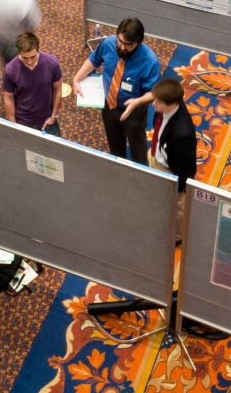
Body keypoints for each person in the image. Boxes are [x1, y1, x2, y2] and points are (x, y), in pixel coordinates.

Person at [72, 17, 160, 165]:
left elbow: (153, 92)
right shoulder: (109, 43)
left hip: (134, 111)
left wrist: (137, 102)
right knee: (115, 148)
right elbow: (94, 59)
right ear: (117, 34)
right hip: (110, 105)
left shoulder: (150, 61)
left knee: (138, 152)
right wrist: (76, 79)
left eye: (129, 45)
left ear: (138, 42)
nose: (123, 47)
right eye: (120, 41)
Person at [149, 78, 196, 242]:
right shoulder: (165, 110)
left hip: (171, 169)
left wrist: (179, 187)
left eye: (158, 101)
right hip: (158, 153)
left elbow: (187, 168)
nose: (153, 104)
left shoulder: (183, 133)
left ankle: (177, 237)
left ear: (172, 104)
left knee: (177, 206)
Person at [3, 31, 62, 135]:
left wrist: (54, 116)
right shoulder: (10, 69)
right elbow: (8, 97)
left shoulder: (52, 63)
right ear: (18, 51)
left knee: (56, 150)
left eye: (33, 57)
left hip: (47, 119)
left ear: (38, 49)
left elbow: (58, 89)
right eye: (25, 58)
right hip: (23, 121)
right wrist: (13, 125)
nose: (29, 62)